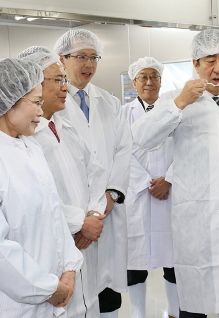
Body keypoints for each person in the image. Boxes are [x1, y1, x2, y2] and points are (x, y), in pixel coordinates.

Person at [132, 28, 219, 318]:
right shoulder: (176, 100)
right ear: (195, 63)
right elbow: (142, 138)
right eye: (210, 60)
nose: (217, 68)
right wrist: (179, 102)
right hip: (194, 215)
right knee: (193, 300)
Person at [18, 46, 108, 317]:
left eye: (64, 80)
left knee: (87, 304)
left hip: (85, 239)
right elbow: (40, 200)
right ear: (31, 85)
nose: (65, 88)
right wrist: (80, 222)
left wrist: (94, 213)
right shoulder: (25, 140)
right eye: (57, 80)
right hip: (56, 244)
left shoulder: (66, 124)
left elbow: (96, 170)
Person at [54, 29, 132, 318]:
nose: (88, 64)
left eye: (93, 57)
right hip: (75, 215)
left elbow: (124, 150)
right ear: (62, 59)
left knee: (107, 289)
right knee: (77, 289)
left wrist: (111, 195)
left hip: (106, 212)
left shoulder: (110, 102)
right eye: (81, 57)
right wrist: (84, 217)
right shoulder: (53, 105)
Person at [0, 57, 83, 317]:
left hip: (54, 292)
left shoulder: (30, 147)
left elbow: (54, 214)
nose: (40, 111)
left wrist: (69, 268)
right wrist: (47, 288)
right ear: (8, 102)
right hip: (17, 304)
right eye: (35, 103)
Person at [122, 57, 178, 318]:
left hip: (171, 195)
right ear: (134, 82)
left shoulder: (174, 111)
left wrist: (169, 179)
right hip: (139, 196)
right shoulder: (123, 114)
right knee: (135, 261)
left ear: (161, 80)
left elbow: (186, 150)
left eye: (153, 76)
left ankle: (176, 311)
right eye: (143, 77)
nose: (148, 82)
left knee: (173, 260)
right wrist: (146, 183)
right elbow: (120, 153)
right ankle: (138, 313)